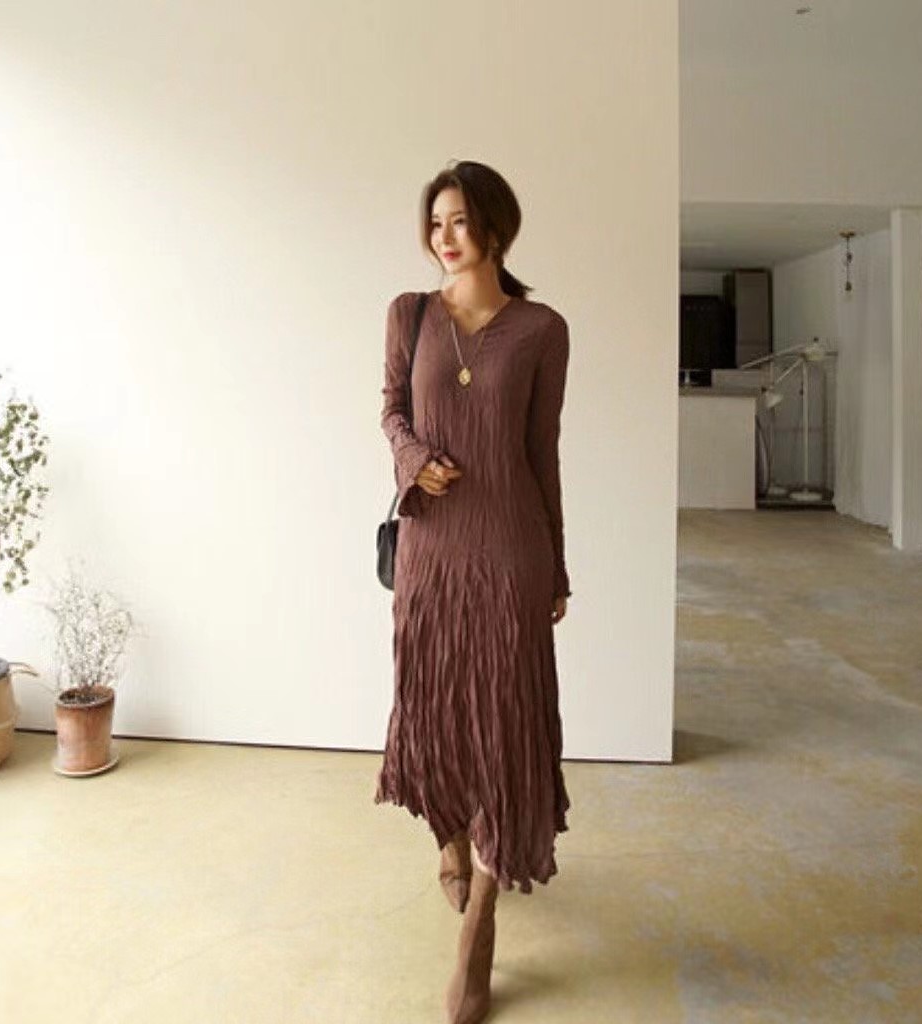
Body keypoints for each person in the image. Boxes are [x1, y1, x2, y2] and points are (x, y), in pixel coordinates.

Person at [373, 159, 573, 1024]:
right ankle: (449, 836)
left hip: (511, 549)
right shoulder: (409, 315)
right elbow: (391, 410)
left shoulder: (541, 329)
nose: (443, 237)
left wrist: (556, 564)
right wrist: (415, 459)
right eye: (435, 221)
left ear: (495, 228)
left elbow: (541, 449)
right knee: (436, 710)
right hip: (430, 550)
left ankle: (481, 926)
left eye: (459, 221)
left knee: (506, 724)